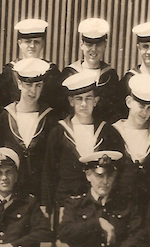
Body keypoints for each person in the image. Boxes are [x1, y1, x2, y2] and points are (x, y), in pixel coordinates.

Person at [41, 71, 125, 214]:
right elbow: (49, 173)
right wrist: (45, 205)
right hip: (65, 203)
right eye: (79, 99)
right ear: (71, 101)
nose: (84, 104)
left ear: (96, 101)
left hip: (97, 205)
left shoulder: (107, 132)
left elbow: (117, 170)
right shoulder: (58, 132)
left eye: (88, 98)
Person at [0, 57, 60, 201]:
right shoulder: (4, 118)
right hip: (12, 195)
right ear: (19, 83)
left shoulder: (50, 119)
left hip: (42, 195)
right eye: (28, 85)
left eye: (38, 85)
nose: (33, 91)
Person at [112, 73, 150, 213]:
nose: (145, 112)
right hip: (119, 207)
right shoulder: (113, 132)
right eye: (141, 106)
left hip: (149, 208)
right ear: (129, 102)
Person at [58, 18, 123, 122]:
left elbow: (115, 113)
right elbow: (61, 110)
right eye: (89, 44)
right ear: (81, 45)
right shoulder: (69, 74)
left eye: (98, 44)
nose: (94, 49)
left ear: (105, 45)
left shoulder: (110, 76)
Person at [0, 19, 61, 113]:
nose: (32, 46)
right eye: (28, 42)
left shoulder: (51, 71)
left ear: (43, 44)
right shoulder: (10, 71)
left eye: (36, 42)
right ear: (20, 43)